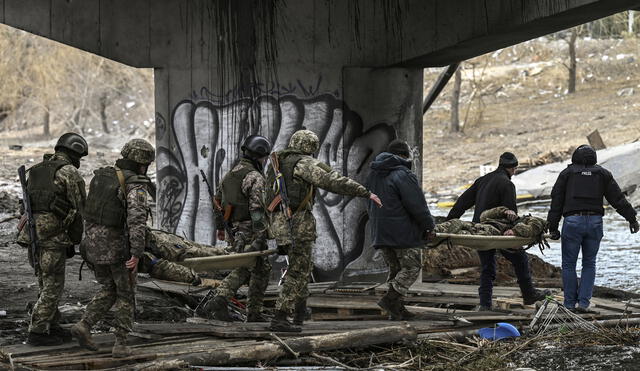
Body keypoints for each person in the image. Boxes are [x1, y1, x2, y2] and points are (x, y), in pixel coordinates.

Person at [267, 129, 383, 332]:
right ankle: (280, 316)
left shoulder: (278, 164)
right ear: (310, 147)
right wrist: (364, 192)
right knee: (298, 270)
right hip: (298, 223)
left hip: (280, 222)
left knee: (303, 265)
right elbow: (333, 180)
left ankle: (301, 313)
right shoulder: (304, 163)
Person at [71, 139, 155, 358]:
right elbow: (137, 221)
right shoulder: (135, 183)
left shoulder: (102, 176)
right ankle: (121, 344)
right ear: (143, 163)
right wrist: (136, 253)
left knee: (109, 288)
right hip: (117, 249)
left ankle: (84, 324)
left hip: (91, 246)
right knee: (126, 294)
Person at [447, 152, 548, 310]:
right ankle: (528, 294)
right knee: (520, 259)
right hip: (498, 231)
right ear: (513, 169)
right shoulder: (507, 184)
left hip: (479, 231)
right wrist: (515, 231)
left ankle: (485, 304)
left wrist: (449, 223)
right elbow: (510, 212)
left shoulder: (482, 180)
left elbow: (462, 202)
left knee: (488, 267)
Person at [547, 144, 639, 313]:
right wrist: (632, 218)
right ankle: (583, 304)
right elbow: (617, 199)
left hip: (572, 222)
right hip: (595, 222)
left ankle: (569, 305)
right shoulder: (603, 174)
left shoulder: (567, 174)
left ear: (574, 157)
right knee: (589, 263)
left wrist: (552, 226)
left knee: (569, 264)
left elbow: (556, 201)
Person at [17, 133, 88, 346]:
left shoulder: (36, 170)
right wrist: (76, 239)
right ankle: (38, 331)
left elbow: (25, 205)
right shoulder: (69, 172)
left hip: (33, 236)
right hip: (53, 236)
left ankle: (51, 324)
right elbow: (80, 208)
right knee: (53, 284)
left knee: (45, 281)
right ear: (74, 152)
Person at [200, 135, 273, 323]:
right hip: (250, 230)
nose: (265, 161)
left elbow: (217, 202)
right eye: (264, 158)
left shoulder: (229, 175)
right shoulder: (254, 177)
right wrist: (261, 234)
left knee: (259, 269)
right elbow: (257, 209)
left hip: (234, 230)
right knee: (247, 267)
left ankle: (254, 313)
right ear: (259, 156)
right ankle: (219, 299)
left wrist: (221, 228)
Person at [366, 140, 434, 320]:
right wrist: (429, 226)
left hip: (380, 231)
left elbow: (368, 202)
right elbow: (417, 205)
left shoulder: (373, 175)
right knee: (412, 267)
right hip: (402, 232)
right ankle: (390, 300)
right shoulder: (403, 174)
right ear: (404, 155)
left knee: (395, 270)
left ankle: (396, 311)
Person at [138, 228, 230, 286]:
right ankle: (231, 254)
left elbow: (160, 266)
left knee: (200, 251)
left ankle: (231, 254)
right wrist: (191, 277)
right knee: (199, 251)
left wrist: (191, 278)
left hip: (167, 246)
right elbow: (159, 266)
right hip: (166, 247)